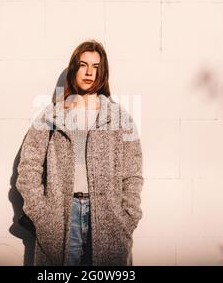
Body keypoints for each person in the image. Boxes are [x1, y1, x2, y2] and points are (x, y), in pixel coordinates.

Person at [16, 40, 144, 266]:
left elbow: (132, 173)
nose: (89, 72)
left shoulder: (120, 118)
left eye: (96, 67)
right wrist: (43, 216)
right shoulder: (51, 116)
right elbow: (28, 168)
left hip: (108, 218)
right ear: (74, 69)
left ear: (103, 72)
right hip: (62, 216)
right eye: (83, 65)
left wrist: (127, 217)